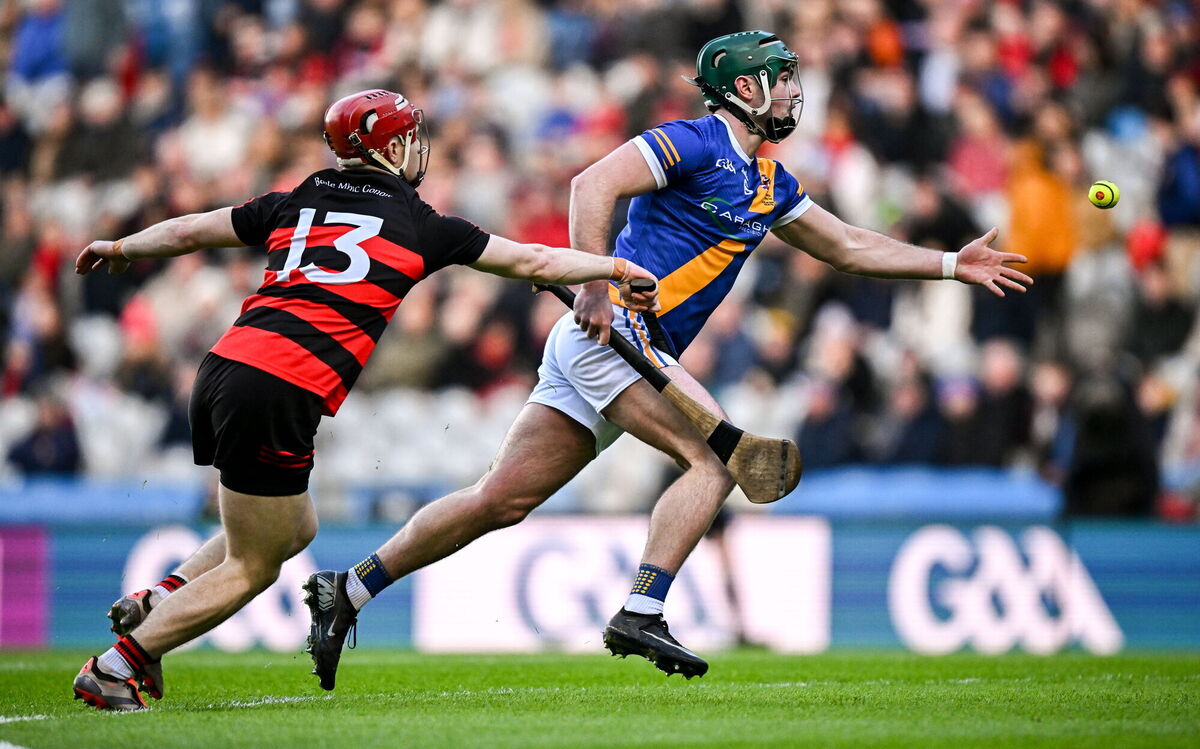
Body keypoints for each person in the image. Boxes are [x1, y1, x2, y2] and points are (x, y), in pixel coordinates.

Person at [294, 30, 1032, 688]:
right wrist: (591, 278)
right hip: (615, 338)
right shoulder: (692, 143)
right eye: (781, 77)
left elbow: (848, 246)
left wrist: (947, 264)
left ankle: (348, 589)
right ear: (744, 89)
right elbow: (593, 183)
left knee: (500, 500)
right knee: (717, 460)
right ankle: (641, 607)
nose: (794, 92)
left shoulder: (769, 183)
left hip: (623, 351)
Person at [69, 88, 660, 712]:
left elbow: (193, 230)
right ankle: (119, 665)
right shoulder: (420, 224)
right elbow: (533, 258)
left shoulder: (297, 198)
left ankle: (163, 598)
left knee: (296, 527)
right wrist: (614, 270)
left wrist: (123, 246)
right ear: (395, 145)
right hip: (282, 384)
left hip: (225, 366)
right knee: (255, 564)